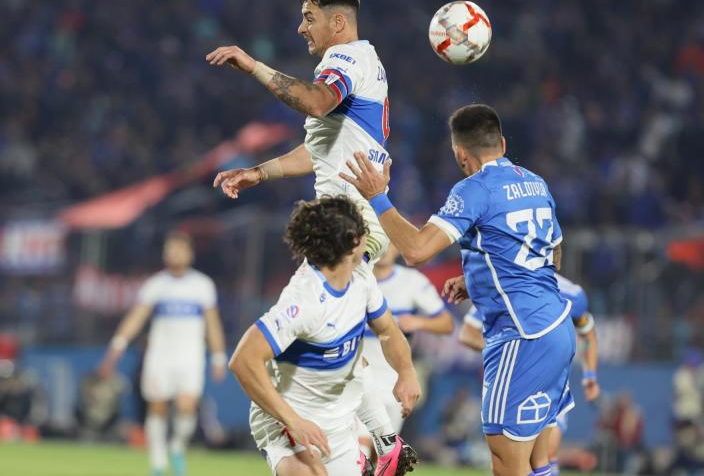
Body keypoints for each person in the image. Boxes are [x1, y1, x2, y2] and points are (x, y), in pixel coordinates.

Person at [341, 103, 576, 476]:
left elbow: (416, 250)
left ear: (460, 154)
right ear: (501, 141)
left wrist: (377, 196)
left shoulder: (475, 189)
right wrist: (480, 277)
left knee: (506, 461)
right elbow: (553, 253)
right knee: (537, 460)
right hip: (557, 327)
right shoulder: (535, 182)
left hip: (521, 334)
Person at [228, 196, 421, 476]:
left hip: (337, 425)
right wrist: (293, 420)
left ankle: (386, 441)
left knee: (354, 356)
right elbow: (243, 361)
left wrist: (406, 371)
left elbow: (389, 331)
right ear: (354, 241)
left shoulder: (362, 280)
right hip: (286, 423)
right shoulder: (305, 301)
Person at [208, 0, 391, 264]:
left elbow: (317, 102)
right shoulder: (366, 59)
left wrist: (254, 67)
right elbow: (320, 151)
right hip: (354, 222)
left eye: (309, 19)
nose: (301, 28)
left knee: (301, 306)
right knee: (352, 306)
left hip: (347, 225)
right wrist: (259, 173)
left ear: (338, 23)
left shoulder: (346, 57)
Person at [98, 232, 227, 476]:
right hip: (160, 355)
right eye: (170, 249)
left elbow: (213, 322)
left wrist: (218, 356)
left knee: (187, 406)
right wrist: (117, 346)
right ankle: (158, 463)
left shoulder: (202, 285)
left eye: (179, 249)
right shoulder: (156, 284)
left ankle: (177, 447)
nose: (174, 254)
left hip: (190, 355)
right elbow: (137, 317)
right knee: (157, 406)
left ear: (190, 253)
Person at [460, 272, 600, 476]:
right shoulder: (506, 283)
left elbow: (587, 332)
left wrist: (590, 376)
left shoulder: (573, 293)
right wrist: (511, 353)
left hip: (552, 384)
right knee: (513, 461)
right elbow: (468, 333)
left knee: (543, 454)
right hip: (515, 379)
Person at [358, 243, 454, 458]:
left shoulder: (412, 282)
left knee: (382, 452)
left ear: (396, 248)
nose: (384, 249)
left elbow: (446, 323)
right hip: (359, 372)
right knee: (359, 441)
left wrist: (418, 322)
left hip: (394, 378)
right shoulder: (356, 279)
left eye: (390, 242)